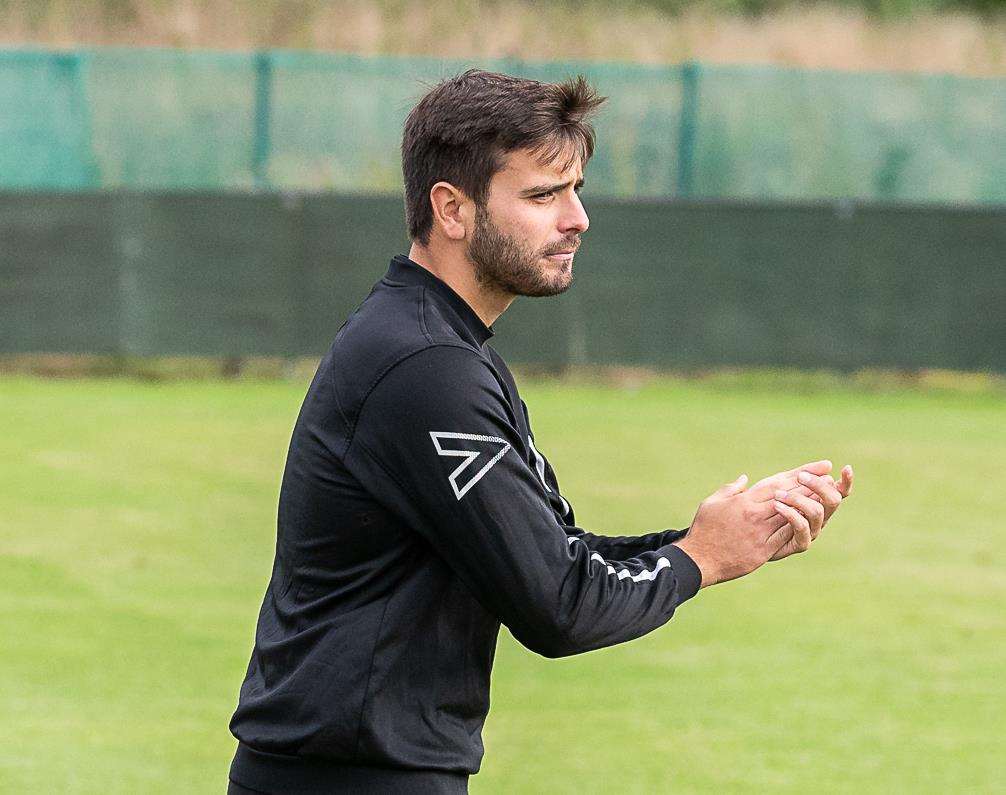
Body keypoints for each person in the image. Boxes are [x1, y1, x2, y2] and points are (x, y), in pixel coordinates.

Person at [227, 69, 854, 794]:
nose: (577, 217)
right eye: (542, 194)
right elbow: (556, 606)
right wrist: (700, 558)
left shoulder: (443, 349)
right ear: (452, 210)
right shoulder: (427, 368)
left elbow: (554, 559)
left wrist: (717, 536)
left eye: (575, 189)